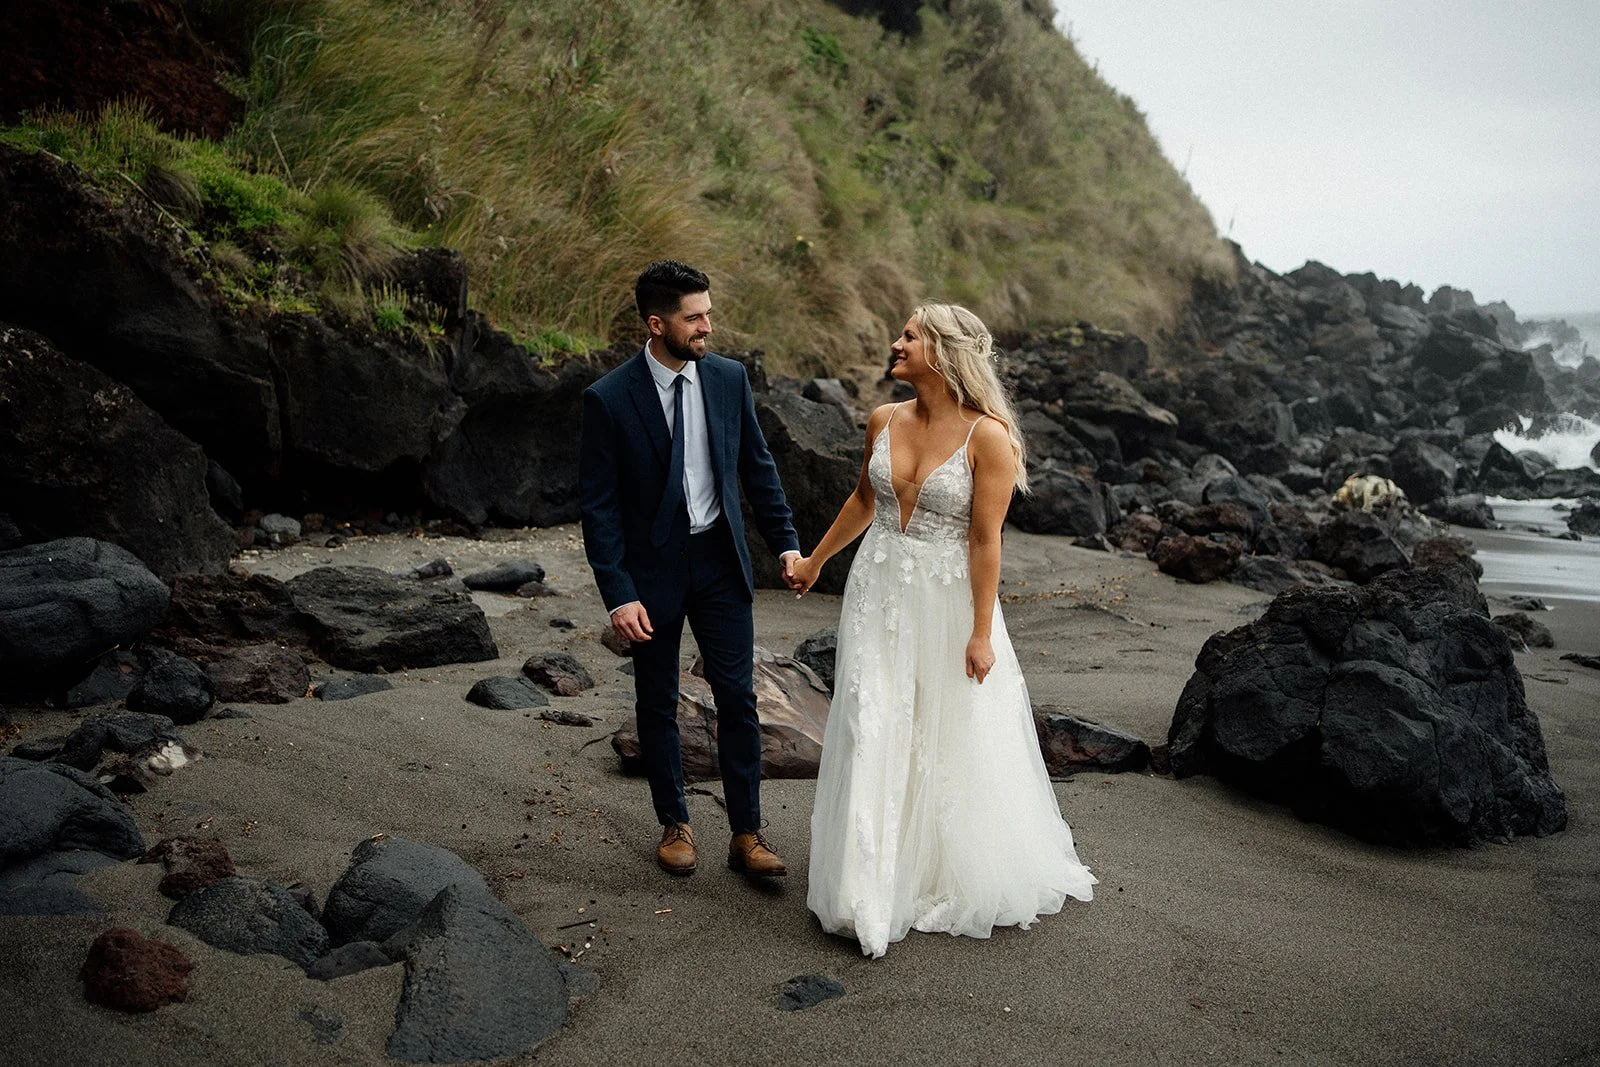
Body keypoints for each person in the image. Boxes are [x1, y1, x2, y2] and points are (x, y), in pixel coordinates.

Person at [789, 302, 1096, 957]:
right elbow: (864, 502)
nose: (895, 343)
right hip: (876, 589)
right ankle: (862, 886)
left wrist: (982, 633)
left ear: (945, 351)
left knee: (940, 727)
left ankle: (928, 868)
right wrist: (816, 560)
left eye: (910, 335)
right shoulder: (883, 419)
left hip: (947, 599)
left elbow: (986, 542)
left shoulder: (990, 437)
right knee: (869, 719)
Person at [579, 260, 801, 878]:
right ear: (658, 324)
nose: (708, 325)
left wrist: (785, 543)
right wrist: (618, 594)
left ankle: (747, 833)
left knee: (737, 696)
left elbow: (758, 468)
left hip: (720, 562)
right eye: (694, 317)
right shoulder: (608, 399)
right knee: (656, 700)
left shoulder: (728, 379)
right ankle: (675, 823)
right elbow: (598, 509)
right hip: (652, 572)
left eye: (708, 312)